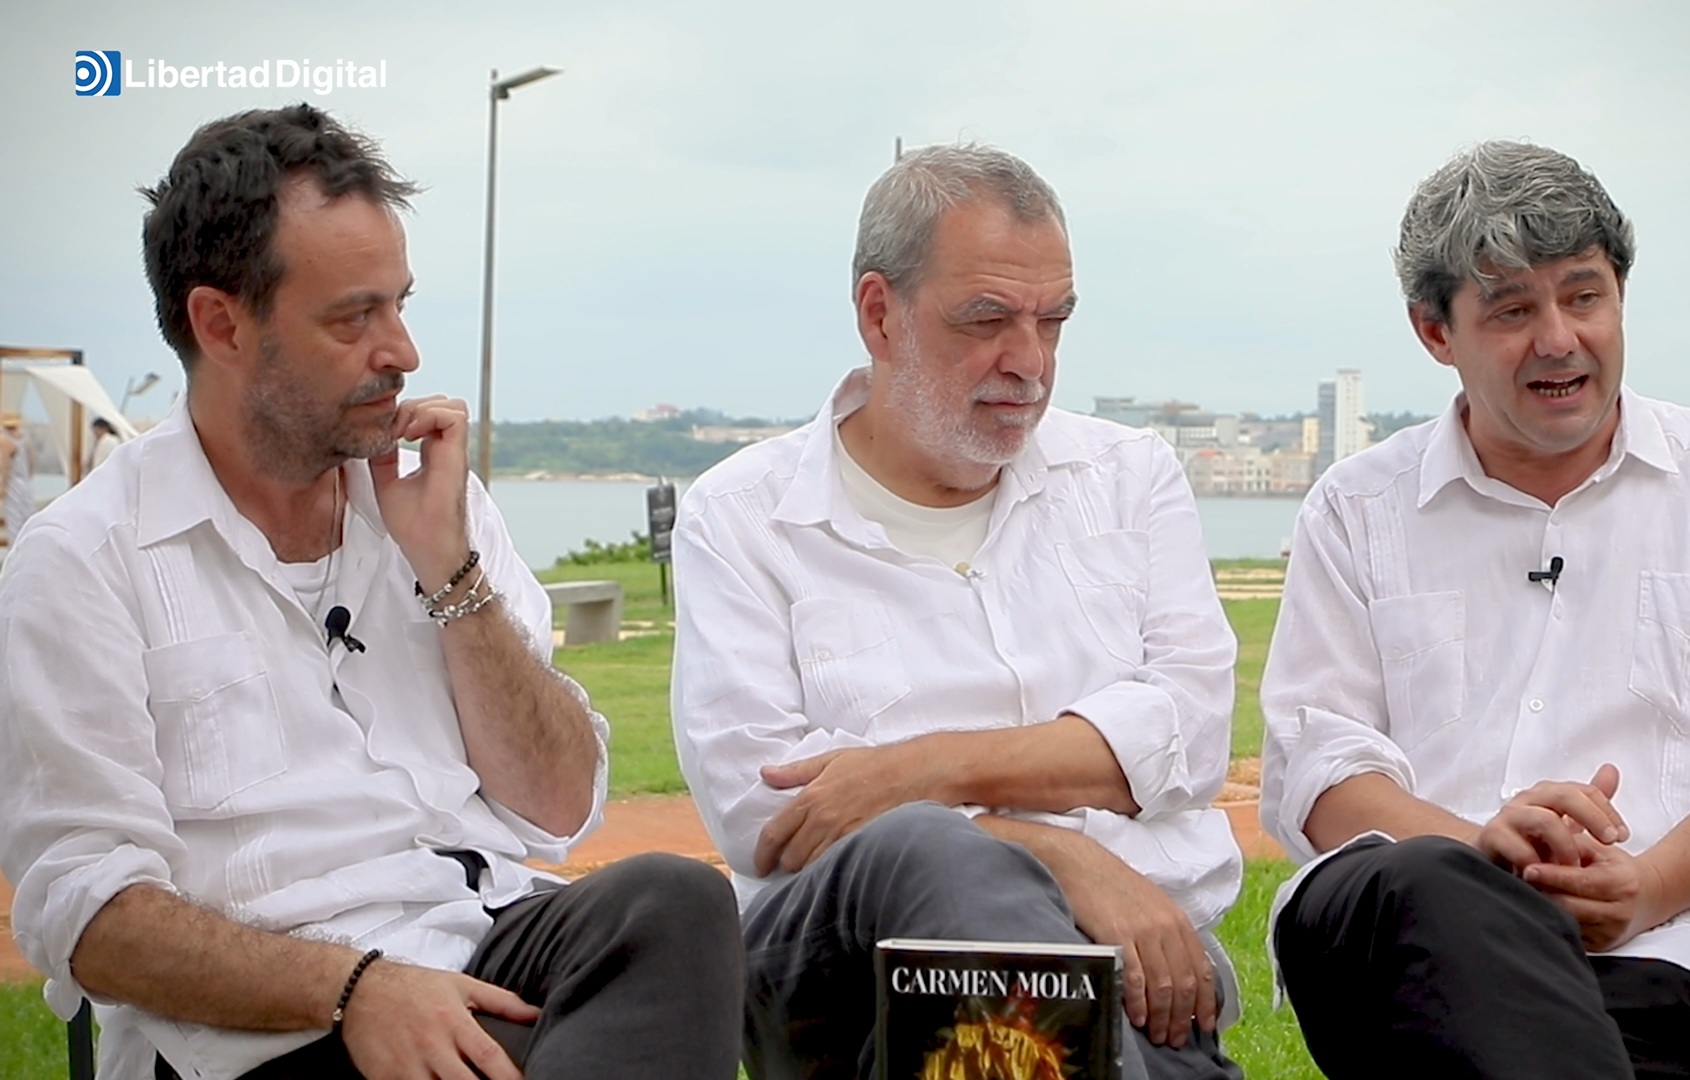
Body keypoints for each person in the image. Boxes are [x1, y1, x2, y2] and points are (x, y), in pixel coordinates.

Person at [0, 104, 743, 1080]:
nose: (403, 350)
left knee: (675, 901)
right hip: (271, 1028)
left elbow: (561, 807)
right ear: (221, 324)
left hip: (484, 944)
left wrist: (449, 569)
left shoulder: (435, 506)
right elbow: (90, 916)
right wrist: (357, 987)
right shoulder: (84, 560)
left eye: (400, 304)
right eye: (355, 317)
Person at [1258, 140, 1690, 1078]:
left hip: (1661, 957)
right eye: (1512, 310)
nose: (1558, 339)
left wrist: (1643, 886)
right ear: (1434, 332)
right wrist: (1481, 859)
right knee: (1428, 883)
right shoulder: (1355, 508)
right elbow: (1320, 766)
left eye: (1584, 297)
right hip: (1406, 942)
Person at [671, 143, 1244, 1080]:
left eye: (1052, 322)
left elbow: (1190, 734)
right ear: (878, 313)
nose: (1030, 362)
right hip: (841, 978)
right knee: (926, 851)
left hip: (1141, 964)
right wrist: (1054, 855)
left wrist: (918, 769)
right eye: (986, 320)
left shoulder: (1129, 478)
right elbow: (767, 812)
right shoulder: (743, 516)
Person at [0, 409, 33, 544]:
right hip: (25, 482)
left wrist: (3, 485)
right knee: (26, 518)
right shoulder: (25, 440)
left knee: (14, 520)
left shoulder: (6, 441)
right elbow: (32, 463)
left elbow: (5, 465)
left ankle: (15, 550)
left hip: (13, 482)